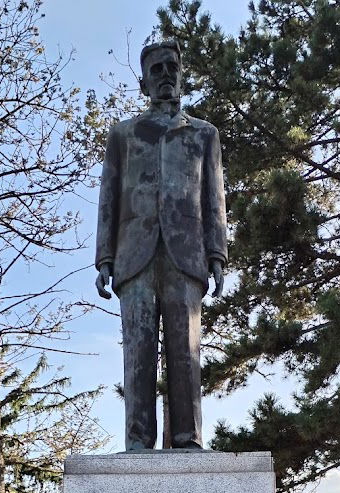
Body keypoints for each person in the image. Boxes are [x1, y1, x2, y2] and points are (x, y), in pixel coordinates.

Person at [95, 39, 227, 450]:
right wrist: (104, 256)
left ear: (182, 76)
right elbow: (108, 196)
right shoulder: (124, 135)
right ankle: (137, 440)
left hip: (185, 254)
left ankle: (187, 441)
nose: (166, 74)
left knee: (185, 353)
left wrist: (217, 253)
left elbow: (214, 198)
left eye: (172, 67)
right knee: (138, 354)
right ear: (144, 82)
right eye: (157, 69)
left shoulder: (204, 135)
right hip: (134, 255)